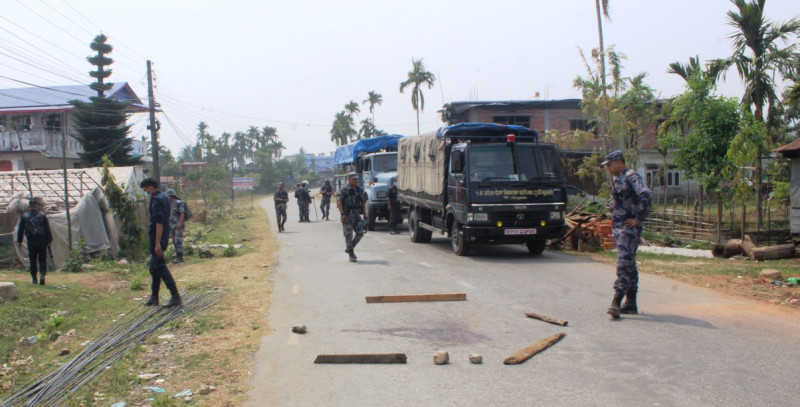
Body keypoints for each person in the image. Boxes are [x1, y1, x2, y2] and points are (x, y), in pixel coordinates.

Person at [601, 150, 651, 319]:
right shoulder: (618, 178)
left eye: (609, 164)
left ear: (619, 163)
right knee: (629, 264)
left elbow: (646, 194)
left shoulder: (631, 176)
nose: (607, 167)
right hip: (621, 229)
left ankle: (616, 301)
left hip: (629, 230)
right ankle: (630, 303)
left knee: (623, 264)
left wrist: (639, 218)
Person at [139, 178, 182, 307]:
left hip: (157, 237)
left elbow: (158, 222)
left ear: (150, 187)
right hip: (162, 236)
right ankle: (154, 297)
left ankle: (175, 296)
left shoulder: (156, 200)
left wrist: (157, 243)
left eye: (146, 189)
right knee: (154, 267)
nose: (146, 192)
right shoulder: (164, 198)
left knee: (160, 266)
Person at [16, 197, 53, 285]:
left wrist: (19, 241)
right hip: (42, 240)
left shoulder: (25, 216)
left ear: (29, 206)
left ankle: (34, 279)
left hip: (31, 240)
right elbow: (47, 228)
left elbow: (21, 229)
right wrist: (49, 240)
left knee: (32, 259)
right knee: (42, 259)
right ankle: (42, 276)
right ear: (36, 206)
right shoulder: (42, 215)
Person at [337, 172, 366, 262]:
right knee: (348, 235)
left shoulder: (359, 189)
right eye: (354, 179)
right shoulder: (343, 189)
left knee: (360, 232)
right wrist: (342, 214)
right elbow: (339, 202)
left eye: (356, 179)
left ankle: (350, 247)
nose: (356, 180)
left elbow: (363, 201)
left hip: (357, 214)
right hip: (347, 215)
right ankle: (351, 254)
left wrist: (365, 213)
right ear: (349, 179)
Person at [165, 189, 187, 264]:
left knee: (178, 241)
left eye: (168, 196)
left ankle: (180, 257)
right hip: (171, 225)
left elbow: (182, 213)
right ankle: (177, 256)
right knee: (174, 241)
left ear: (172, 196)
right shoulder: (168, 204)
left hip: (178, 225)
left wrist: (180, 223)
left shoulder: (179, 203)